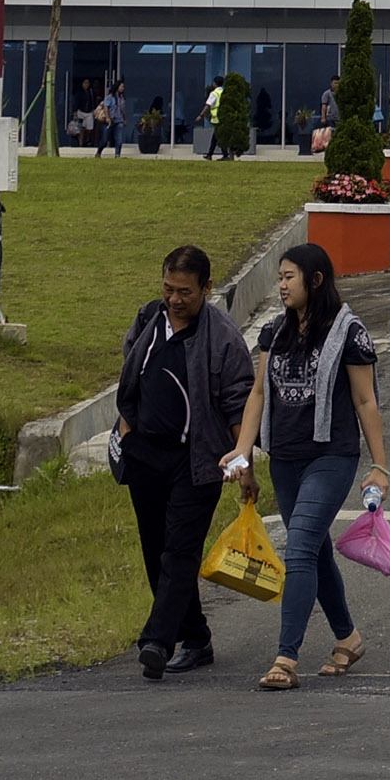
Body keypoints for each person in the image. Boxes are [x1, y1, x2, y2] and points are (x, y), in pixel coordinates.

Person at [224, 244, 390, 689]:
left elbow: (365, 400)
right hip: (285, 457)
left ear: (315, 280)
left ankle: (286, 658)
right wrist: (244, 453)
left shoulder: (349, 332)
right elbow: (258, 395)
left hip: (331, 457)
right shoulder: (274, 332)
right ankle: (348, 637)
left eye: (289, 277)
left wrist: (380, 466)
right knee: (313, 549)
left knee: (297, 548)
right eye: (279, 277)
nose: (281, 286)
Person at [115, 242, 255, 681]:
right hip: (146, 454)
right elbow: (130, 373)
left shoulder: (224, 338)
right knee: (156, 551)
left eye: (185, 292)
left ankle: (157, 641)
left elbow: (239, 404)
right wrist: (125, 430)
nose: (174, 299)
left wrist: (244, 463)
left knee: (179, 551)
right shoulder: (147, 320)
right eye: (168, 289)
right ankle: (196, 637)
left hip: (198, 461)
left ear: (207, 288)